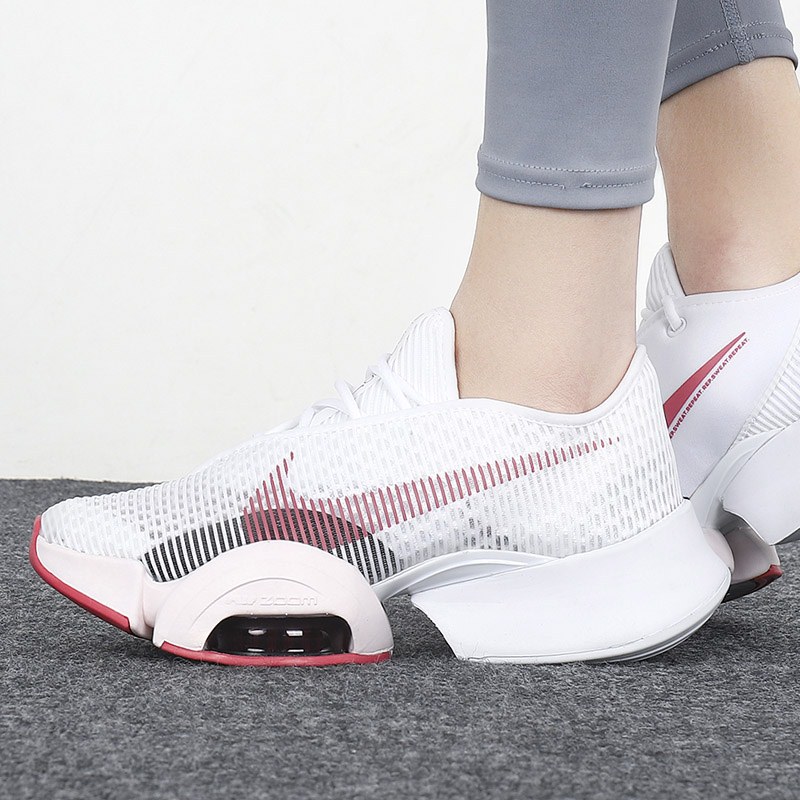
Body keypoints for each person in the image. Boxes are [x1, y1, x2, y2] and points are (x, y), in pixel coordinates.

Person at [29, 1, 800, 664]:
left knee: (544, 375)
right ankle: (757, 275)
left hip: (559, 449)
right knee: (751, 245)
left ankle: (542, 392)